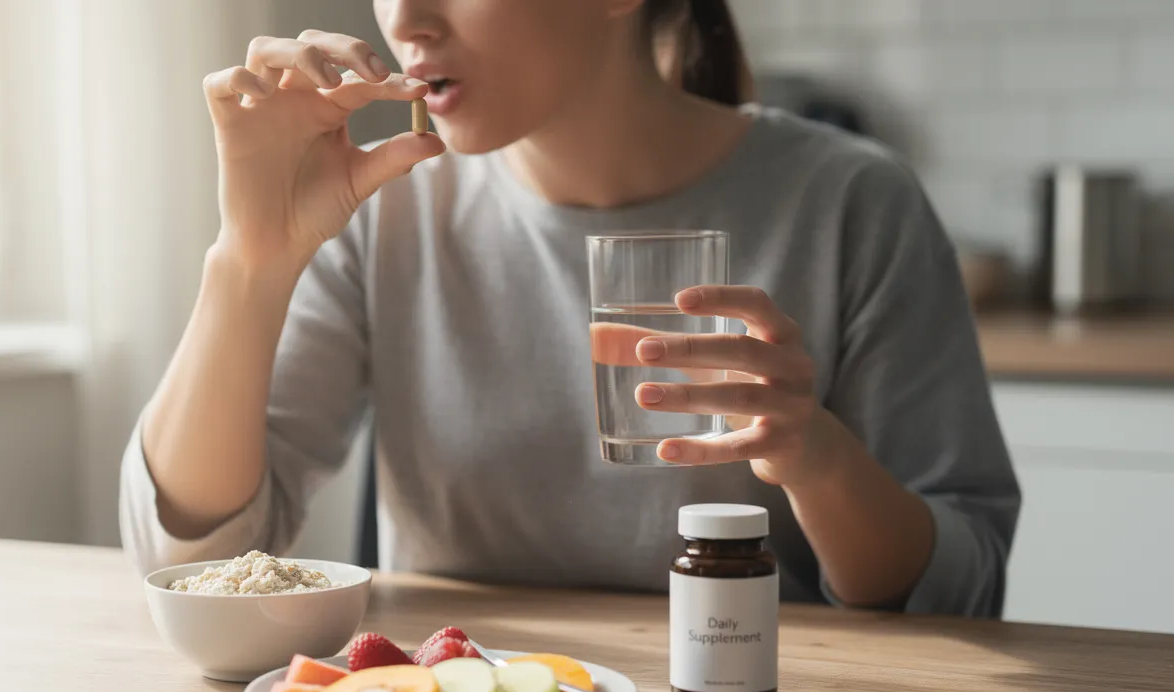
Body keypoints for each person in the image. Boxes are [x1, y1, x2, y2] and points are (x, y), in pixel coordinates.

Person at [119, 0, 1020, 617]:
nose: (405, 19)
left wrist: (816, 458)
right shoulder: (384, 206)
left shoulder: (853, 203)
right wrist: (251, 256)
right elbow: (187, 565)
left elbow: (964, 587)